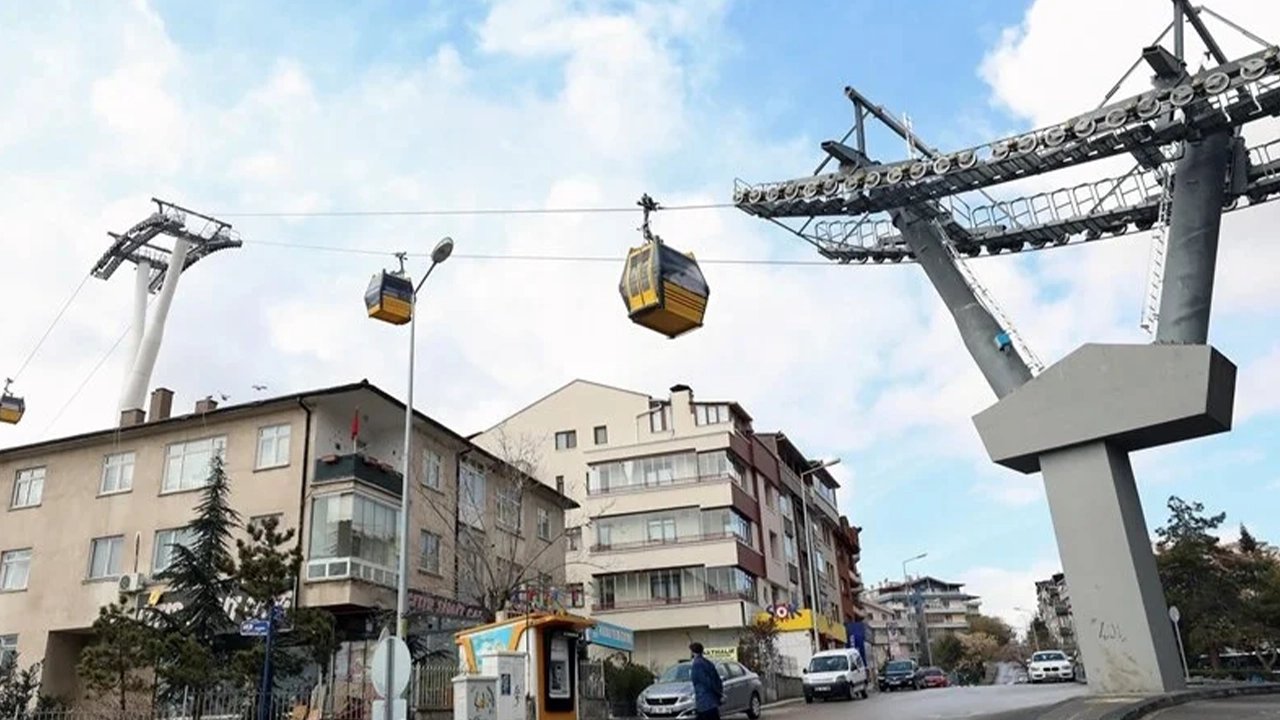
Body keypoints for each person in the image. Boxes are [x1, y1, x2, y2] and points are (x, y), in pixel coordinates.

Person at [688, 642, 724, 720]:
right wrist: (719, 693)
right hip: (712, 701)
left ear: (693, 652)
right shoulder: (708, 663)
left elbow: (706, 681)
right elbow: (717, 680)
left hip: (704, 702)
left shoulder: (697, 665)